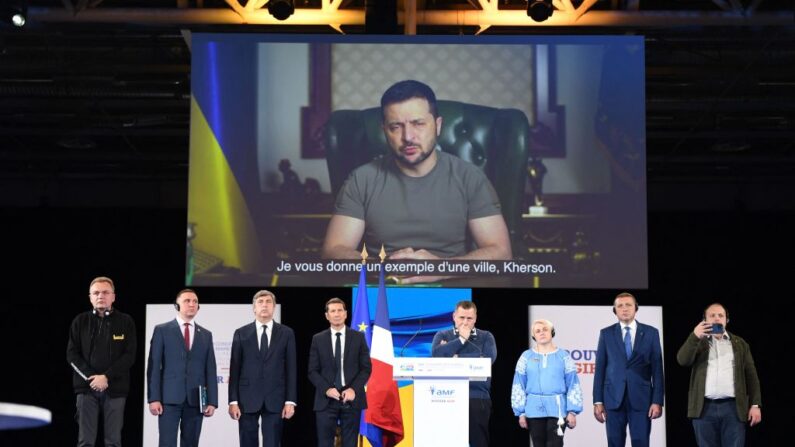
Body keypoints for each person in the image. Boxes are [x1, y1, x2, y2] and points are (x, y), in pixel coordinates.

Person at [321, 79, 512, 283]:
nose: (408, 137)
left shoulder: (470, 178)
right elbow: (333, 250)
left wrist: (440, 269)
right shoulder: (362, 179)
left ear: (437, 125)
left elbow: (501, 253)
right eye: (396, 126)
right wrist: (381, 267)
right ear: (384, 130)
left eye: (418, 123)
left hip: (452, 288)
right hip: (381, 287)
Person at [676, 303, 762, 447]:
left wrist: (755, 404)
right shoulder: (698, 342)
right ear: (705, 320)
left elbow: (751, 376)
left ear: (727, 320)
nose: (716, 318)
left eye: (720, 315)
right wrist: (695, 335)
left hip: (733, 408)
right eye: (712, 315)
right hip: (704, 409)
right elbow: (682, 360)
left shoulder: (740, 344)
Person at [67, 276, 137, 447]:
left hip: (116, 389)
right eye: (96, 292)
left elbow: (129, 355)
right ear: (90, 297)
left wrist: (106, 377)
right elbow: (72, 354)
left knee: (113, 442)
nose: (100, 296)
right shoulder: (80, 321)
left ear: (113, 296)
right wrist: (92, 377)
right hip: (86, 389)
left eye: (105, 292)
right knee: (85, 442)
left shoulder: (125, 321)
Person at [147, 289, 218, 447]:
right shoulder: (162, 330)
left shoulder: (206, 335)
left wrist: (212, 401)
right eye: (187, 301)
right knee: (167, 443)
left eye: (195, 301)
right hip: (168, 399)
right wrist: (154, 398)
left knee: (191, 443)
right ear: (177, 305)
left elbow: (210, 370)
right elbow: (153, 366)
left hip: (196, 400)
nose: (192, 304)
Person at [593, 292, 664, 447]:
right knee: (614, 443)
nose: (624, 309)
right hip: (612, 399)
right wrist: (598, 400)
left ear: (636, 308)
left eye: (628, 305)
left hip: (642, 399)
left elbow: (657, 370)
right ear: (615, 310)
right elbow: (600, 369)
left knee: (641, 442)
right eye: (620, 306)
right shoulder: (606, 334)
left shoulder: (651, 333)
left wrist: (657, 401)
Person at [228, 290, 297, 447]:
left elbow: (291, 369)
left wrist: (290, 400)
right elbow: (235, 369)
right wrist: (233, 401)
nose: (264, 305)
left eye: (268, 302)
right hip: (247, 399)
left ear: (274, 307)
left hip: (276, 399)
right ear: (254, 308)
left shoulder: (286, 333)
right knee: (247, 442)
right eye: (260, 302)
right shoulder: (241, 333)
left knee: (272, 443)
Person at [431, 300, 497, 447]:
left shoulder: (486, 337)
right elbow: (436, 355)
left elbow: (487, 361)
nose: (465, 322)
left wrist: (453, 358)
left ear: (475, 318)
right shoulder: (442, 334)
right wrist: (461, 340)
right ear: (454, 316)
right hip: (446, 396)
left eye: (469, 318)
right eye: (461, 318)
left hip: (477, 397)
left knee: (478, 442)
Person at [308, 298, 371, 447]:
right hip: (326, 400)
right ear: (327, 316)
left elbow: (366, 368)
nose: (336, 314)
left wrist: (353, 389)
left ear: (346, 314)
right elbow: (312, 371)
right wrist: (327, 389)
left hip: (351, 399)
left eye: (340, 310)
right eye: (333, 311)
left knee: (350, 443)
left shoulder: (358, 337)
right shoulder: (318, 339)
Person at [511, 319, 582, 447]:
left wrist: (572, 411)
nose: (542, 333)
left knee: (555, 443)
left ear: (552, 332)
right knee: (538, 444)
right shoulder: (525, 357)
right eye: (538, 331)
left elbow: (573, 383)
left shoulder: (563, 356)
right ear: (533, 335)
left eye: (545, 330)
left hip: (558, 408)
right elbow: (518, 385)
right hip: (533, 409)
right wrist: (520, 412)